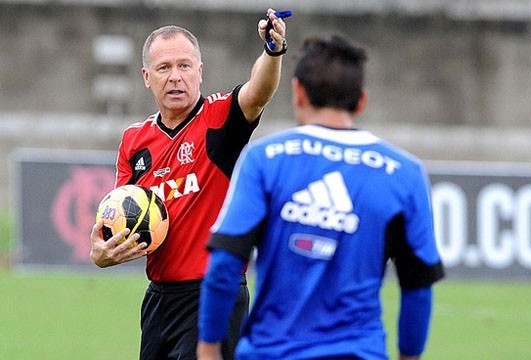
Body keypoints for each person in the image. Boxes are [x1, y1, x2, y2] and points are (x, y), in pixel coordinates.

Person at [196, 34, 445, 360]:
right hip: (359, 352)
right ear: (361, 101)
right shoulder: (404, 173)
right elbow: (418, 287)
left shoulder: (264, 159)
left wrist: (209, 349)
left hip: (271, 352)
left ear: (298, 93)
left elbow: (225, 265)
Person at [89, 9, 289, 360]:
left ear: (200, 71)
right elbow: (119, 215)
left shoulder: (220, 118)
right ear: (147, 78)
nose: (175, 77)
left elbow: (258, 93)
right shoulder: (134, 140)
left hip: (213, 294)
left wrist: (272, 51)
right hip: (158, 300)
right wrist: (102, 252)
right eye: (164, 68)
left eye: (184, 66)